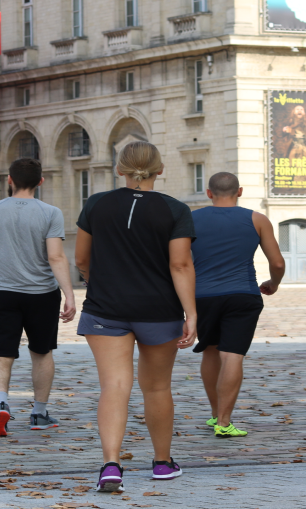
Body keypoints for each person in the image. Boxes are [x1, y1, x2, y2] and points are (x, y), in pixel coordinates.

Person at [74, 141, 197, 493]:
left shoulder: (96, 203)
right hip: (159, 310)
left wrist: (97, 282)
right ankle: (162, 463)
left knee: (114, 386)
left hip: (105, 308)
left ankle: (111, 465)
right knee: (157, 387)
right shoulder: (175, 210)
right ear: (160, 170)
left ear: (119, 170)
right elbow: (180, 264)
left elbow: (81, 258)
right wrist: (191, 312)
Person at [0, 158, 77, 437]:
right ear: (41, 182)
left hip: (3, 293)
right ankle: (39, 414)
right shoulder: (51, 213)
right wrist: (69, 295)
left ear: (9, 179)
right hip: (42, 295)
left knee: (1, 352)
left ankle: (0, 403)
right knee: (41, 352)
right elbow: (56, 257)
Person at [191, 172, 285, 438]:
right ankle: (224, 422)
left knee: (210, 351)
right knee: (232, 355)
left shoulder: (191, 219)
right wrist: (274, 283)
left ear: (209, 193)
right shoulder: (257, 219)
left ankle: (214, 414)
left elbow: (178, 261)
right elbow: (278, 262)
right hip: (243, 294)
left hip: (203, 295)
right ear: (239, 191)